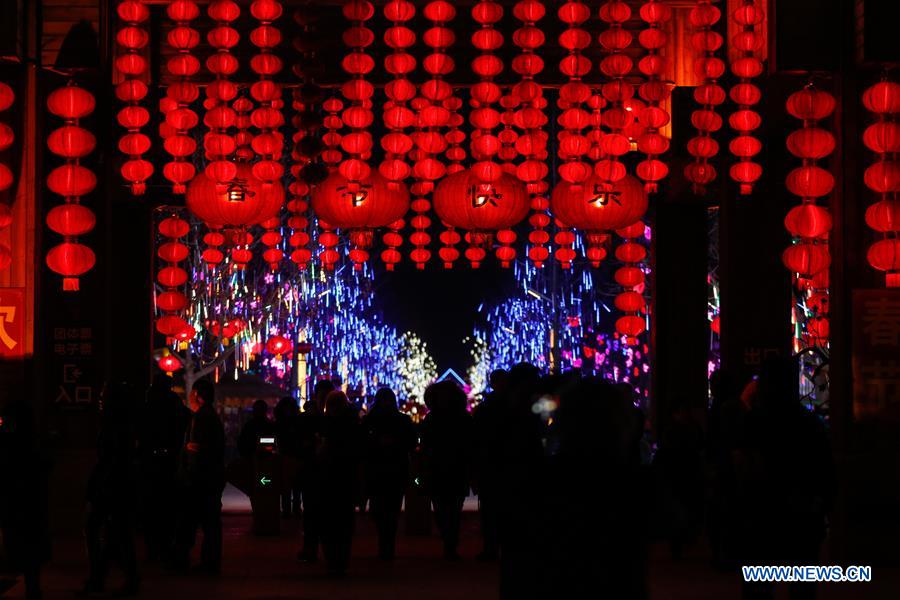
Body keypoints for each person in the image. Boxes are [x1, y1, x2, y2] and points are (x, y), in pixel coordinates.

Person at [736, 358, 836, 600]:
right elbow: (826, 471)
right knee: (802, 586)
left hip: (761, 516)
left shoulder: (752, 423)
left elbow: (741, 468)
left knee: (758, 586)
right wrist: (823, 507)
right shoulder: (810, 424)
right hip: (802, 516)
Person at [84, 382, 140, 596]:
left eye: (103, 397)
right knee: (118, 532)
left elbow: (110, 459)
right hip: (118, 485)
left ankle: (100, 576)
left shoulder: (113, 426)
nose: (100, 400)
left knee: (99, 529)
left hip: (112, 485)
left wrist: (97, 484)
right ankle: (115, 576)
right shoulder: (123, 424)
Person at [173, 379, 226, 574]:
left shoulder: (202, 418)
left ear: (197, 395)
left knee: (193, 521)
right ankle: (209, 562)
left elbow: (197, 451)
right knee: (209, 523)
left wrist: (188, 475)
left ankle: (195, 561)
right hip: (209, 478)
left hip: (200, 480)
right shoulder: (209, 416)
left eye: (191, 393)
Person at [0, 396, 50, 600]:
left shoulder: (11, 443)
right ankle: (33, 588)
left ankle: (32, 588)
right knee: (30, 550)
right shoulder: (34, 442)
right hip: (30, 503)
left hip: (18, 502)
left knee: (23, 546)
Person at [138, 374, 190, 561]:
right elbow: (186, 417)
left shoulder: (148, 403)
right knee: (168, 508)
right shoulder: (174, 404)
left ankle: (153, 548)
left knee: (151, 508)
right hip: (170, 460)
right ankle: (166, 546)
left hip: (150, 462)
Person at [419, 380, 473, 560]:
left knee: (443, 508)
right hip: (455, 468)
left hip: (441, 468)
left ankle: (449, 541)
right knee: (452, 509)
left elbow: (425, 444)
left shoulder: (432, 418)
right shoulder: (463, 417)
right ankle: (450, 542)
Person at [361, 387, 417, 559]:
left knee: (382, 509)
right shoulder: (402, 420)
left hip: (378, 470)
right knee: (390, 509)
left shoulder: (370, 420)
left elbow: (361, 443)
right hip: (394, 469)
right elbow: (412, 442)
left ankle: (385, 544)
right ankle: (387, 544)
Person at [316, 390, 362, 575]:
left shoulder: (325, 424)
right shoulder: (354, 424)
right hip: (346, 478)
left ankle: (332, 558)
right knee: (344, 521)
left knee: (328, 521)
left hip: (328, 479)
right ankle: (341, 559)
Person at [472, 369, 508, 560]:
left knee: (490, 509)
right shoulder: (516, 404)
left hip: (490, 463)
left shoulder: (486, 407)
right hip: (507, 463)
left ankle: (490, 548)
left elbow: (476, 436)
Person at [296, 380, 331, 562]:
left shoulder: (333, 418)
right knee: (311, 512)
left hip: (327, 473)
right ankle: (312, 549)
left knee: (321, 514)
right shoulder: (311, 418)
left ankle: (320, 550)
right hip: (313, 472)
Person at [274, 396, 301, 518]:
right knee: (296, 486)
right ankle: (295, 508)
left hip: (284, 456)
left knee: (287, 486)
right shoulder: (297, 422)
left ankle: (287, 509)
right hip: (295, 456)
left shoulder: (279, 423)